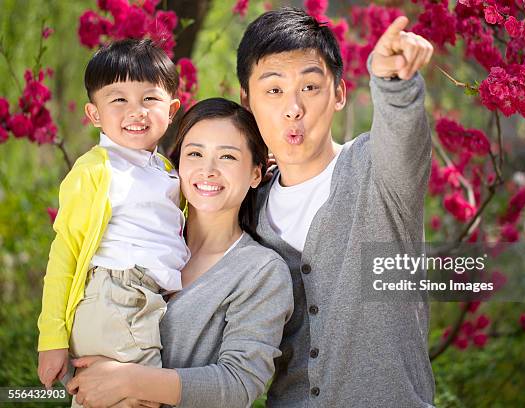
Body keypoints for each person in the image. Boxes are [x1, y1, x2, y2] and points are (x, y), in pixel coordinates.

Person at [236, 8, 435, 407]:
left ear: (339, 94)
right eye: (273, 90)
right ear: (248, 101)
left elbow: (403, 135)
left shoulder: (375, 170)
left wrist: (392, 80)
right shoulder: (246, 209)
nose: (293, 108)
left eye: (310, 87)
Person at [65, 98, 294, 408]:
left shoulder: (261, 271)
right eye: (195, 153)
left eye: (227, 157)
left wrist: (128, 380)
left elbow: (240, 384)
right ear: (178, 164)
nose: (208, 170)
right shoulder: (135, 238)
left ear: (256, 173)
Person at [37, 38, 190, 406]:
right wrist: (52, 338)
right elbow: (65, 254)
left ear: (171, 110)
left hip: (147, 302)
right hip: (116, 298)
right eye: (118, 100)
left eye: (149, 99)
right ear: (94, 115)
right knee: (136, 398)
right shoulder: (95, 170)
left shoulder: (166, 170)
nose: (135, 111)